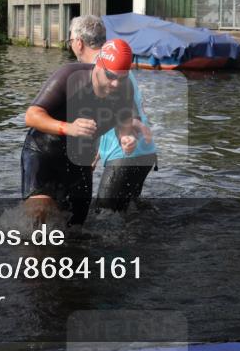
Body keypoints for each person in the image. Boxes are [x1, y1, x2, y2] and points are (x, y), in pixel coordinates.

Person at [21, 38, 147, 226]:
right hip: (44, 153)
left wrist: (126, 138)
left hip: (80, 162)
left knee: (76, 229)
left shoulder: (124, 88)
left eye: (121, 78)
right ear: (99, 65)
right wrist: (68, 127)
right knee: (39, 213)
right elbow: (31, 116)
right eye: (110, 76)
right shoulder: (70, 76)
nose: (115, 84)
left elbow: (123, 123)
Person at [67, 15, 157, 213]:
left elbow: (129, 112)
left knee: (104, 214)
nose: (71, 45)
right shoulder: (117, 66)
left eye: (70, 40)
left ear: (79, 43)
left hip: (126, 154)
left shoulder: (103, 71)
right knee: (127, 214)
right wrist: (97, 153)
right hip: (143, 152)